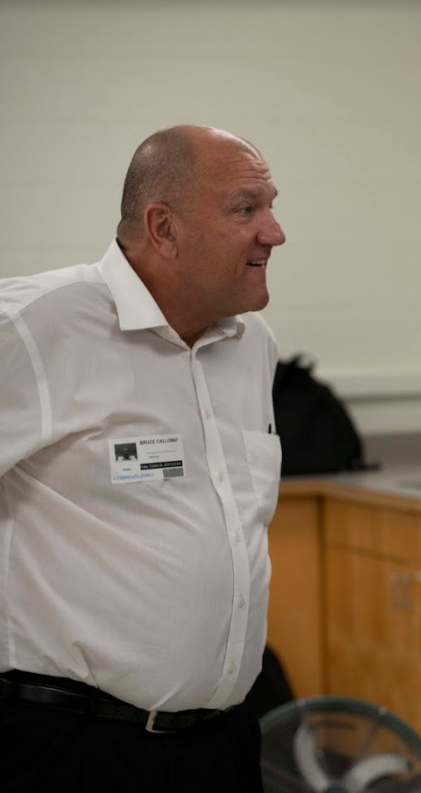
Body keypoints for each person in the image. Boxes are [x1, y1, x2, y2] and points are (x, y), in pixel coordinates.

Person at [0, 125, 286, 792]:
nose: (274, 231)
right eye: (246, 208)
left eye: (272, 205)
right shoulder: (38, 326)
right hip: (71, 749)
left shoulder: (252, 343)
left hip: (223, 744)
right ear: (164, 227)